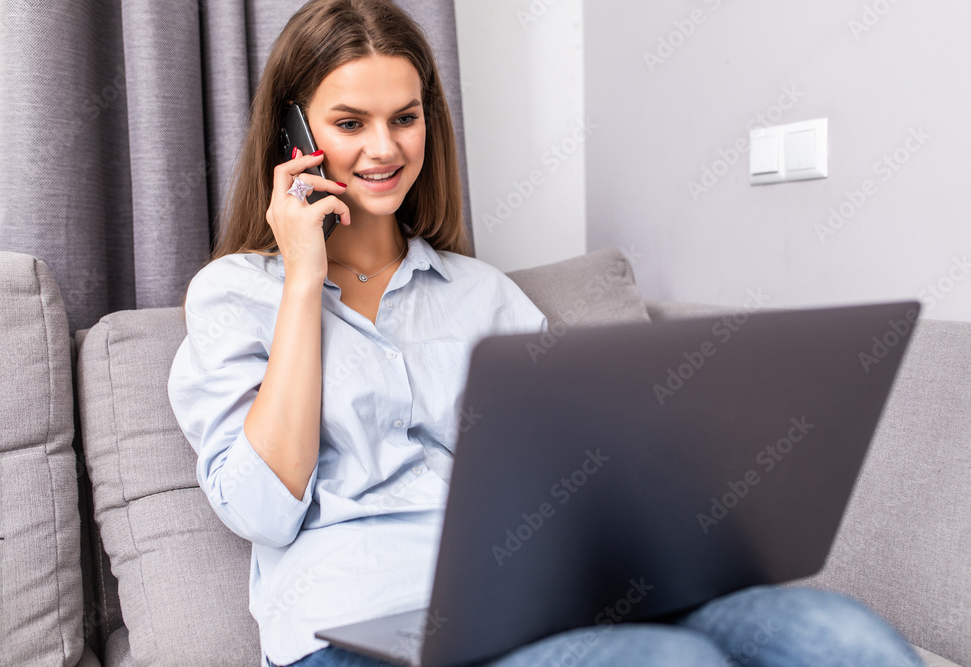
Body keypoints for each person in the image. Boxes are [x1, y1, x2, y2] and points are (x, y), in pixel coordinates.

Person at [167, 1, 924, 665]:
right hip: (350, 630)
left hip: (530, 599)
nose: (385, 148)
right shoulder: (235, 295)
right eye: (348, 123)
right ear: (294, 135)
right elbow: (263, 509)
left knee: (839, 636)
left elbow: (576, 480)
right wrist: (303, 277)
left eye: (405, 117)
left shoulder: (485, 297)